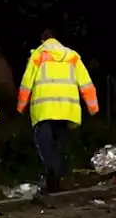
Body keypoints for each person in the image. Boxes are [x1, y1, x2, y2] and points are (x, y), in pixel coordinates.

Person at [15, 29, 98, 194]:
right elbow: (86, 82)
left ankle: (55, 175)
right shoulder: (72, 56)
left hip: (44, 108)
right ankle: (55, 184)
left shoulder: (38, 55)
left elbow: (26, 81)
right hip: (66, 109)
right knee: (57, 145)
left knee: (44, 145)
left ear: (42, 40)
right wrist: (92, 106)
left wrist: (21, 106)